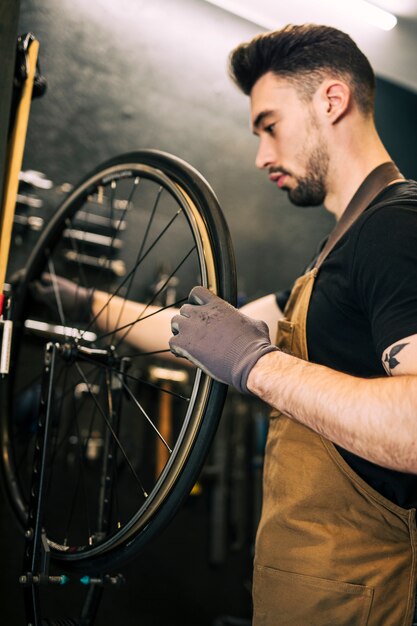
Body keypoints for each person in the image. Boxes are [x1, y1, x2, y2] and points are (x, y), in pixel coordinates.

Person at [31, 24, 417, 625]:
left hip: (365, 601)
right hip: (313, 593)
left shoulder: (396, 228)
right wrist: (75, 300)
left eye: (269, 125)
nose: (261, 154)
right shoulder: (336, 256)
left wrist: (255, 364)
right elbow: (181, 332)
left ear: (331, 101)